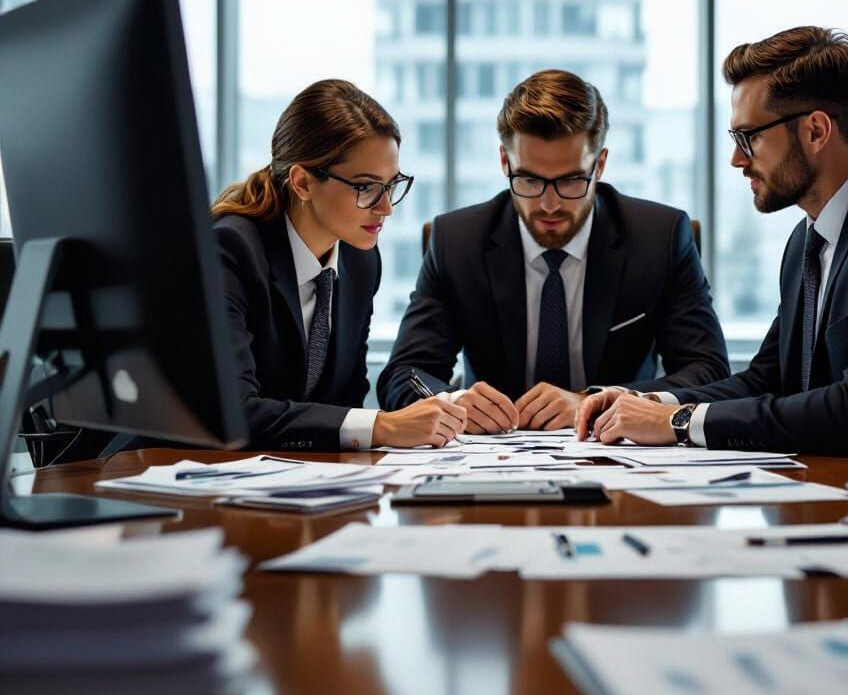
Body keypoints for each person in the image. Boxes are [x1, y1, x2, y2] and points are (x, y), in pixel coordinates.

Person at [576, 27, 848, 473]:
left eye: (749, 137)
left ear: (816, 130)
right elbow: (769, 378)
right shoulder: (811, 237)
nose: (736, 159)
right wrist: (648, 402)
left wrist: (679, 420)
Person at [377, 69, 730, 434]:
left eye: (571, 181)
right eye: (529, 179)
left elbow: (710, 371)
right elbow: (404, 374)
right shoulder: (457, 241)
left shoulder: (659, 238)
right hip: (492, 460)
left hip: (615, 453)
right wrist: (453, 402)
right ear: (504, 162)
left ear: (600, 165)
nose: (548, 205)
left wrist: (601, 398)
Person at [211, 79, 466, 451]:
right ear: (301, 182)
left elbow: (344, 402)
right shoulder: (232, 250)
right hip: (171, 469)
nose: (386, 207)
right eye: (365, 187)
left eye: (390, 184)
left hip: (289, 482)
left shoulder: (360, 260)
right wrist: (382, 426)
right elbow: (235, 411)